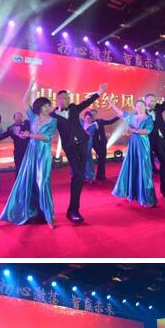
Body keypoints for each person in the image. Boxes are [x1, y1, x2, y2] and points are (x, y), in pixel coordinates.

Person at [0, 85, 57, 227]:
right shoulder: (33, 116)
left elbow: (47, 137)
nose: (47, 108)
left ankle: (49, 215)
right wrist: (30, 86)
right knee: (28, 180)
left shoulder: (53, 121)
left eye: (48, 105)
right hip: (31, 152)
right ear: (38, 107)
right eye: (44, 106)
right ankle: (31, 210)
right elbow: (24, 100)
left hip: (43, 152)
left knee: (43, 181)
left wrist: (30, 134)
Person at [51, 83, 107, 223]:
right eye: (61, 98)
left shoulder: (74, 108)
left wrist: (98, 92)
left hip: (83, 144)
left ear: (69, 100)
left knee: (79, 177)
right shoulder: (53, 116)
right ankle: (73, 210)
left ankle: (73, 210)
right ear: (57, 100)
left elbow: (87, 102)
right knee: (79, 175)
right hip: (70, 148)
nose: (64, 100)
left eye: (66, 98)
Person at [108, 99, 157, 207]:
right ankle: (133, 193)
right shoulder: (131, 117)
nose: (139, 107)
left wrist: (134, 131)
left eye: (141, 105)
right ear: (135, 107)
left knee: (144, 169)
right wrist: (112, 105)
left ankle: (148, 198)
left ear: (145, 107)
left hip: (143, 144)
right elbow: (121, 113)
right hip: (133, 144)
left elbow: (148, 131)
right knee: (132, 167)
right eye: (137, 106)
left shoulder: (148, 118)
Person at [89, 109, 119, 180]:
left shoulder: (101, 121)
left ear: (97, 114)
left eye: (95, 114)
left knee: (102, 158)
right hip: (95, 143)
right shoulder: (89, 123)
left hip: (103, 142)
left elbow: (110, 121)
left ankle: (101, 175)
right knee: (101, 157)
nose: (93, 115)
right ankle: (100, 176)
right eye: (92, 114)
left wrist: (118, 116)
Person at [0, 111, 31, 176]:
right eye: (17, 116)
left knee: (28, 166)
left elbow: (30, 129)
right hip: (18, 151)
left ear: (22, 117)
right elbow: (3, 136)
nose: (18, 118)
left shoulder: (26, 124)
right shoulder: (10, 128)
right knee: (18, 167)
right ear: (14, 118)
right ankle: (18, 181)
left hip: (28, 150)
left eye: (20, 116)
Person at [81, 111, 97, 182]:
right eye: (86, 118)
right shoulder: (81, 123)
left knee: (88, 157)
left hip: (88, 142)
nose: (87, 119)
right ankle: (84, 176)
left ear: (91, 119)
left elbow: (89, 134)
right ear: (84, 118)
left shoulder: (93, 125)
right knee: (82, 159)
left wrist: (82, 130)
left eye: (89, 118)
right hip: (81, 142)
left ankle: (91, 175)